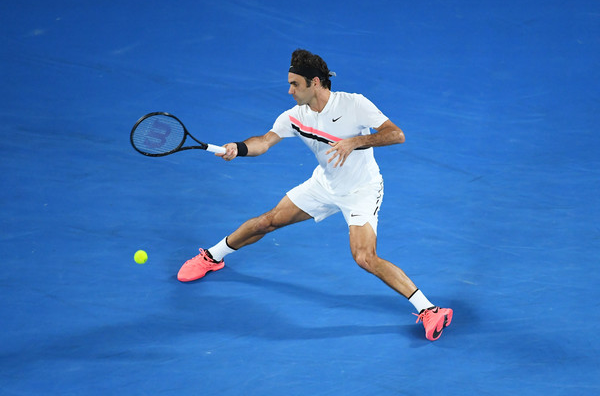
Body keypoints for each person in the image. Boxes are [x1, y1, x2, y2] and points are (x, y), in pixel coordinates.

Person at [177, 49, 452, 341]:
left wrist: (356, 141)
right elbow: (264, 142)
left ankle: (430, 310)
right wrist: (238, 147)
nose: (289, 90)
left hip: (361, 190)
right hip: (324, 184)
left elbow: (397, 134)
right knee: (266, 222)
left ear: (315, 83)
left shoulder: (354, 104)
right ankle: (212, 257)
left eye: (295, 84)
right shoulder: (295, 117)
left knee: (364, 257)